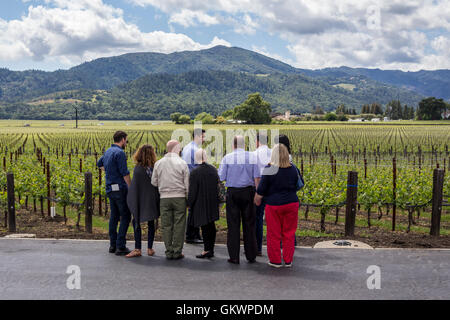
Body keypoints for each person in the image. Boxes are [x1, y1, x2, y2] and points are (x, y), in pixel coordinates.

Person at [254, 144, 300, 268]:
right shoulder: (293, 169)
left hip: (274, 205)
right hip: (291, 203)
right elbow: (297, 184)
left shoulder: (269, 169)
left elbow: (261, 189)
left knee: (274, 234)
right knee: (289, 233)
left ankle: (275, 260)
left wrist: (257, 200)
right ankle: (288, 260)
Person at [218, 135, 261, 264]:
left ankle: (234, 256)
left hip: (233, 193)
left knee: (233, 225)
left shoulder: (227, 158)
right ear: (245, 145)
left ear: (233, 145)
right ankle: (251, 255)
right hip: (249, 192)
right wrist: (257, 194)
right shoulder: (253, 157)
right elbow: (257, 177)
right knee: (250, 224)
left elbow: (221, 176)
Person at [151, 140, 189, 260]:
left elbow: (153, 182)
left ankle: (169, 251)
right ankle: (177, 251)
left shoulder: (158, 163)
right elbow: (187, 184)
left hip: (164, 198)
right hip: (179, 197)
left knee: (166, 225)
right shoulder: (182, 163)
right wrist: (187, 199)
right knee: (179, 225)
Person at [97, 131, 132, 256]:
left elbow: (99, 163)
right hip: (120, 189)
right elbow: (125, 173)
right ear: (122, 140)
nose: (126, 143)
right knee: (126, 216)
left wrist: (109, 171)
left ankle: (112, 245)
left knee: (114, 216)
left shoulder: (108, 151)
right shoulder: (120, 153)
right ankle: (120, 246)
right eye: (126, 141)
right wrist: (131, 187)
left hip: (109, 188)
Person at [126, 145, 160, 258]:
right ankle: (150, 248)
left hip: (139, 199)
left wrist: (132, 198)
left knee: (136, 221)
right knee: (151, 222)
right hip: (152, 199)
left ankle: (137, 248)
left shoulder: (138, 168)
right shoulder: (155, 167)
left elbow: (135, 186)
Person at [187, 149, 220, 259]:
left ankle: (207, 250)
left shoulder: (195, 172)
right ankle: (211, 249)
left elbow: (193, 191)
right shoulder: (213, 170)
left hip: (201, 203)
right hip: (213, 201)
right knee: (211, 225)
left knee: (205, 227)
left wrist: (189, 203)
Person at [182, 129, 206, 244]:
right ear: (197, 136)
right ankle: (191, 235)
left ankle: (194, 234)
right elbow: (201, 167)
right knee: (195, 210)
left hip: (189, 180)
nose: (204, 139)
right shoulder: (196, 150)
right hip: (195, 181)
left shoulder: (187, 147)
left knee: (193, 208)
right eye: (203, 137)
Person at [253, 132, 272, 256]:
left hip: (259, 190)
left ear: (257, 141)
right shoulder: (274, 153)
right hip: (274, 191)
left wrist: (257, 193)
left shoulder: (254, 154)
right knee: (274, 220)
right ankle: (277, 248)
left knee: (257, 219)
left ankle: (258, 248)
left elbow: (256, 176)